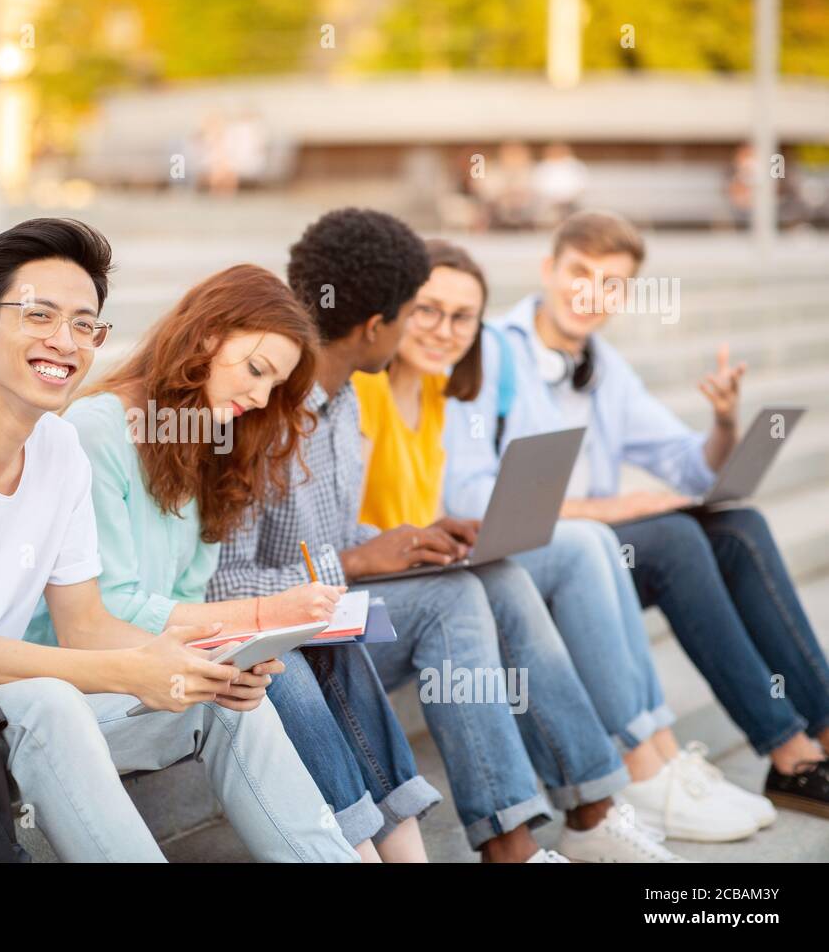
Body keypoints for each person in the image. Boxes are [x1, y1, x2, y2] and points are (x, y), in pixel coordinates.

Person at [0, 217, 360, 863]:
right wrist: (128, 672)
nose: (64, 341)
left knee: (215, 701)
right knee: (50, 702)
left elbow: (87, 626)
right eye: (39, 315)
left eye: (83, 325)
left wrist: (198, 664)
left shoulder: (60, 451)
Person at [210, 207, 687, 862]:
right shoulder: (265, 409)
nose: (427, 332)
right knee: (462, 597)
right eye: (416, 313)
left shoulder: (345, 399)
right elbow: (223, 581)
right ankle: (519, 843)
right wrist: (355, 557)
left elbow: (343, 536)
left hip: (334, 613)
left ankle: (565, 821)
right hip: (280, 633)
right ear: (378, 324)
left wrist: (404, 539)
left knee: (483, 578)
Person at [354, 237, 768, 842]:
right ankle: (630, 771)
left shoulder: (443, 398)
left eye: (461, 316)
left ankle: (625, 781)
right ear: (393, 310)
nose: (444, 330)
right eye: (428, 310)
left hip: (428, 571)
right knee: (577, 546)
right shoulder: (366, 395)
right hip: (375, 598)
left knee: (593, 544)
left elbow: (691, 467)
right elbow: (343, 536)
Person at [26, 263, 441, 862]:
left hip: (156, 653)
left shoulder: (205, 441)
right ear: (204, 339)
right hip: (82, 669)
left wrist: (267, 623)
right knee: (274, 675)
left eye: (274, 385)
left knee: (321, 644)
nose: (260, 397)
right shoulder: (97, 431)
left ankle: (403, 854)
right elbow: (101, 611)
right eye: (255, 370)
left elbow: (188, 590)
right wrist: (259, 613)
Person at [443, 209, 829, 820]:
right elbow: (467, 500)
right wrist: (612, 506)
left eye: (611, 283)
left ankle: (825, 730)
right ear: (548, 269)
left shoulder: (605, 367)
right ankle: (789, 752)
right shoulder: (490, 353)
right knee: (674, 538)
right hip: (533, 558)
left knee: (739, 528)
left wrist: (725, 424)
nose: (591, 293)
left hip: (602, 554)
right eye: (580, 272)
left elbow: (692, 470)